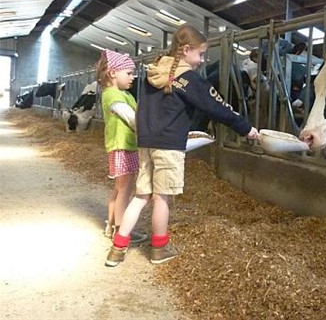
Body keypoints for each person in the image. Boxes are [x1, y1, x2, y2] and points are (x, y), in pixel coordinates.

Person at [105, 24, 260, 267]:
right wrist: (246, 128)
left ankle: (118, 247)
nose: (201, 60)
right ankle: (159, 247)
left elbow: (142, 109)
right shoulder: (188, 79)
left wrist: (144, 136)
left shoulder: (151, 74)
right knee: (162, 198)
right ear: (186, 50)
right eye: (200, 54)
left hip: (146, 143)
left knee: (141, 196)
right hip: (169, 146)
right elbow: (216, 107)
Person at [96, 50, 147, 244]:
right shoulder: (113, 95)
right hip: (122, 146)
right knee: (125, 189)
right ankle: (121, 229)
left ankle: (111, 226)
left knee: (119, 189)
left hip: (125, 145)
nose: (132, 77)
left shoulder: (122, 93)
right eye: (128, 73)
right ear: (112, 73)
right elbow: (132, 119)